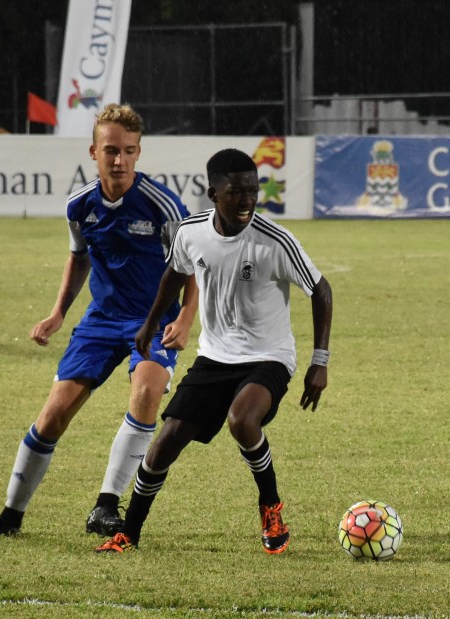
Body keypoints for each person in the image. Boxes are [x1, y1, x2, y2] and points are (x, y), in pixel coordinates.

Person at [0, 103, 197, 537]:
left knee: (146, 392)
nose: (119, 159)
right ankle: (10, 516)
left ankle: (106, 505)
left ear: (138, 152)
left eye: (128, 151)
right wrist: (58, 313)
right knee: (52, 416)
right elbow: (78, 258)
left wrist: (185, 318)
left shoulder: (163, 204)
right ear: (94, 152)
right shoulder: (79, 207)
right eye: (110, 150)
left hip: (151, 322)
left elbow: (192, 265)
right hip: (100, 321)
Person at [95, 148, 333, 556]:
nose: (247, 201)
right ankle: (128, 534)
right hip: (214, 358)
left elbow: (321, 289)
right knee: (163, 444)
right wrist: (151, 323)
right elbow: (176, 271)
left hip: (268, 356)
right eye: (236, 192)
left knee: (241, 420)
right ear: (213, 193)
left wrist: (319, 362)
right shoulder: (191, 232)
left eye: (253, 191)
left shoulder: (274, 240)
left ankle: (270, 507)